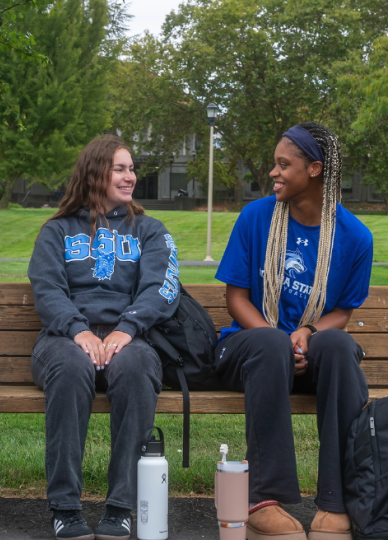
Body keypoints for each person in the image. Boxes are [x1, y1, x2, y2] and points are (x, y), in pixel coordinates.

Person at [214, 122, 373, 540]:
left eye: (284, 165)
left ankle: (337, 502)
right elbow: (237, 300)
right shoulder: (256, 217)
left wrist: (307, 332)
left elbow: (341, 311)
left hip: (309, 349)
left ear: (315, 169)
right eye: (274, 164)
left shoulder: (355, 237)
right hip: (250, 351)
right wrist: (282, 341)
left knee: (338, 345)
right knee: (269, 344)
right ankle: (263, 501)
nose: (273, 173)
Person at [28, 135, 180, 540]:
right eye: (120, 168)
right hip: (63, 339)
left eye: (131, 168)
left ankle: (121, 508)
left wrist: (126, 329)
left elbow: (161, 287)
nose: (130, 176)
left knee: (136, 368)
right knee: (69, 366)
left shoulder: (150, 231)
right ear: (96, 172)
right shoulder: (57, 231)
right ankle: (64, 507)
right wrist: (78, 330)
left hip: (127, 339)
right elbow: (47, 290)